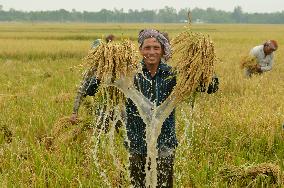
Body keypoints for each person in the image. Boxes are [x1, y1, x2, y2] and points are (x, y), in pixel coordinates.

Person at [70, 34, 116, 125]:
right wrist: (74, 112)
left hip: (117, 108)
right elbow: (81, 91)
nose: (97, 56)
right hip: (101, 108)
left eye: (99, 52)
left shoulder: (114, 68)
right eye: (94, 53)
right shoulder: (90, 72)